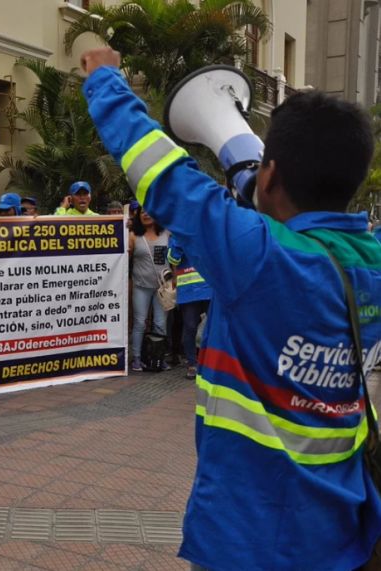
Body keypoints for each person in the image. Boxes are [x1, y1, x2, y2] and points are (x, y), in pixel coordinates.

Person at [82, 47, 381, 571]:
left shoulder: (260, 256)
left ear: (269, 177)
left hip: (248, 533)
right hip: (339, 527)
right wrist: (260, 180)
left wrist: (105, 79)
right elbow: (287, 211)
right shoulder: (371, 261)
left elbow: (164, 174)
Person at [128, 206, 170, 372]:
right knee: (139, 322)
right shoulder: (133, 236)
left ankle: (158, 358)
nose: (145, 214)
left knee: (160, 323)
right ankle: (137, 358)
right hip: (141, 287)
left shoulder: (167, 233)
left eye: (149, 211)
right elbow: (125, 259)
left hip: (162, 289)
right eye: (142, 212)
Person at [167, 236, 209, 380]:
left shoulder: (206, 227)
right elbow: (173, 259)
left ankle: (211, 362)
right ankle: (192, 364)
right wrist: (180, 238)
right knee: (190, 328)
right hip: (188, 290)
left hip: (209, 288)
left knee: (214, 327)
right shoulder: (176, 234)